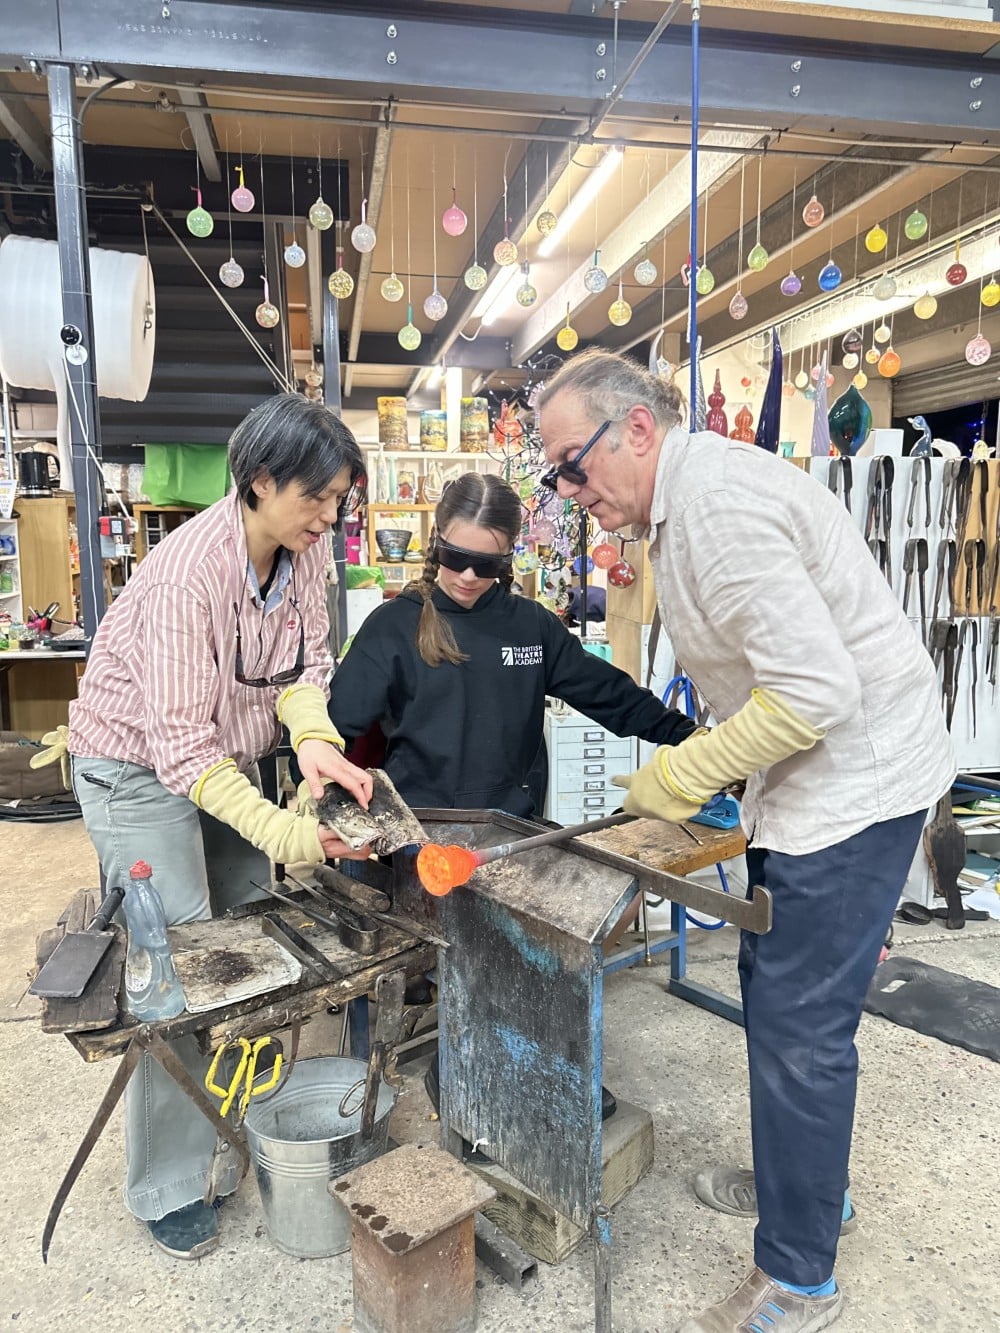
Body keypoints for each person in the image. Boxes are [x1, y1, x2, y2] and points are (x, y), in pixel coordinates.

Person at [536, 349, 956, 1333]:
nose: (566, 488)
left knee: (799, 1030)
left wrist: (688, 772)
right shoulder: (680, 506)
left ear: (635, 429)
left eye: (571, 462)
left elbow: (816, 693)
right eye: (555, 472)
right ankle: (809, 1197)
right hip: (809, 781)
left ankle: (799, 1276)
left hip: (853, 788)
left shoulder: (717, 506)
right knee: (775, 1003)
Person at [48, 394, 374, 1260]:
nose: (330, 515)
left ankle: (233, 1137)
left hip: (229, 759)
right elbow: (181, 749)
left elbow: (308, 669)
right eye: (318, 496)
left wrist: (315, 745)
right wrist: (288, 834)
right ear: (260, 480)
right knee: (180, 969)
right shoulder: (186, 572)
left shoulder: (307, 556)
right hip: (138, 768)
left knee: (253, 951)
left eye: (340, 497)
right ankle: (166, 1181)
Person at [326, 470, 699, 1124]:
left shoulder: (531, 626)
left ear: (510, 556)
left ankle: (548, 1069)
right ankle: (454, 1075)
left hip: (511, 832)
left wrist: (692, 743)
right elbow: (331, 733)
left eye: (487, 564)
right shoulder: (394, 628)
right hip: (422, 838)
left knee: (552, 948)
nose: (468, 577)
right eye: (455, 558)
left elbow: (606, 693)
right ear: (434, 542)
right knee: (471, 955)